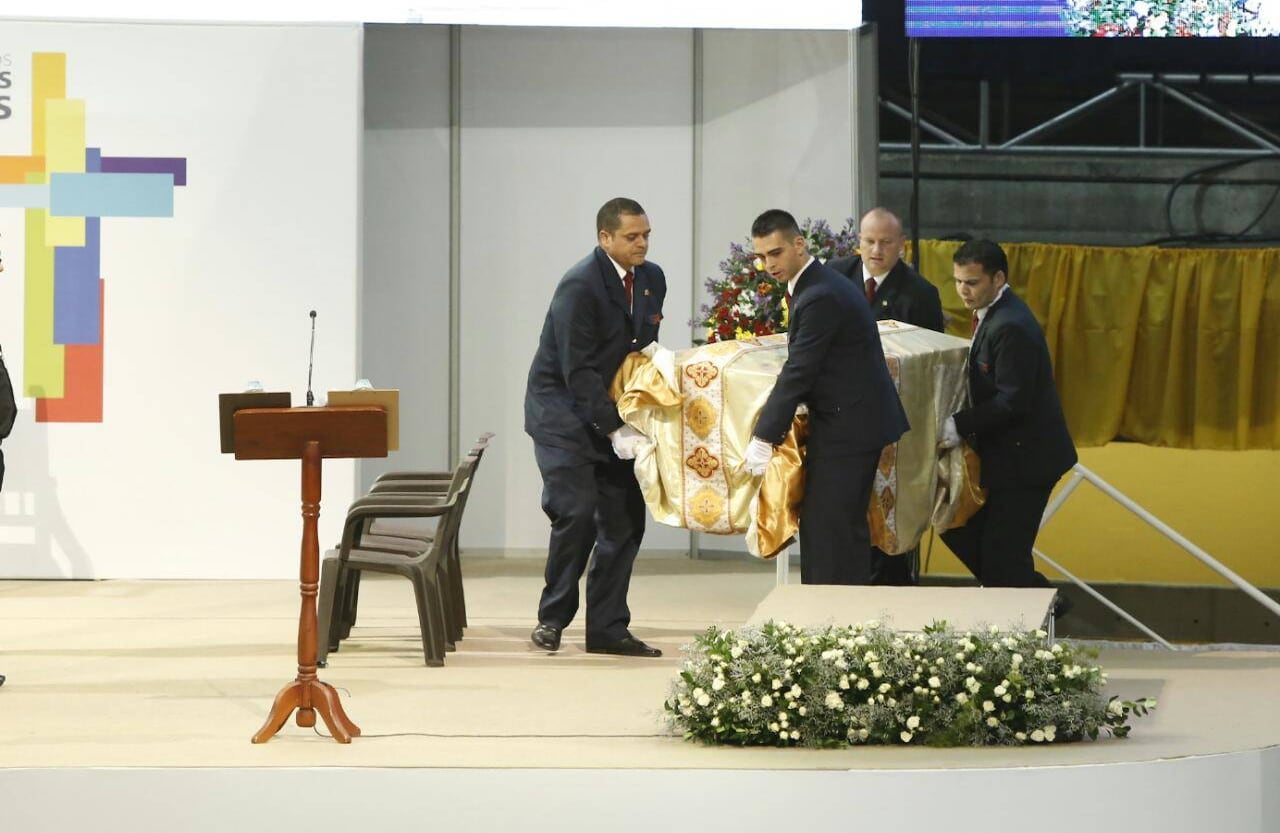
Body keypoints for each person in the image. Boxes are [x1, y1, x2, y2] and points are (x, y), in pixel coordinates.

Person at [524, 197, 667, 657]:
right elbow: (578, 371)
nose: (641, 242)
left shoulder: (651, 279)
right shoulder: (580, 286)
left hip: (611, 413)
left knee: (625, 522)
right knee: (577, 513)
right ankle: (552, 620)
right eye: (631, 236)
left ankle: (607, 628)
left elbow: (640, 352)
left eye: (645, 234)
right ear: (605, 238)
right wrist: (613, 429)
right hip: (563, 415)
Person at [745, 209, 909, 585]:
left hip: (850, 424)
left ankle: (831, 622)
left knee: (830, 529)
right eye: (762, 256)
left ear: (799, 244)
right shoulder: (819, 283)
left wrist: (764, 436)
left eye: (776, 253)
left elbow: (799, 370)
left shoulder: (819, 294)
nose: (769, 264)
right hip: (850, 418)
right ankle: (833, 621)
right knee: (832, 527)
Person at [938, 239, 1077, 595]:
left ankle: (1036, 622)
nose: (963, 291)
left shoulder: (1010, 325)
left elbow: (1013, 402)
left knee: (1003, 559)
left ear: (998, 279)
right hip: (1010, 457)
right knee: (971, 537)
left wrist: (958, 424)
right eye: (957, 281)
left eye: (972, 283)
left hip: (1027, 461)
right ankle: (1045, 605)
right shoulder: (995, 314)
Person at [827, 207, 945, 585]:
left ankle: (890, 585)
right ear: (858, 241)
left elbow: (931, 360)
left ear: (902, 246)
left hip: (894, 419)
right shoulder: (833, 276)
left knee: (889, 506)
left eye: (885, 242)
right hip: (840, 415)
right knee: (846, 505)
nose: (876, 250)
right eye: (869, 241)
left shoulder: (920, 294)